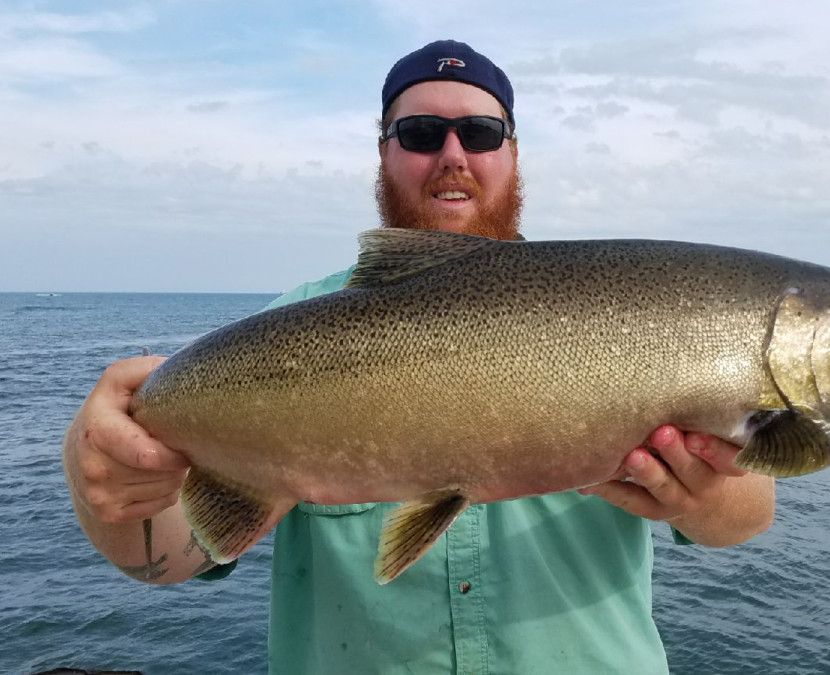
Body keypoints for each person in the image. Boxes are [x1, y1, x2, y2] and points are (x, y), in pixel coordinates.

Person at [62, 40, 775, 674]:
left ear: (514, 154)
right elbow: (171, 554)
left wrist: (710, 497)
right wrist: (102, 474)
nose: (453, 154)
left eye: (482, 132)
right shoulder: (280, 338)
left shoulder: (630, 310)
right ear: (384, 153)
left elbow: (745, 513)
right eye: (422, 133)